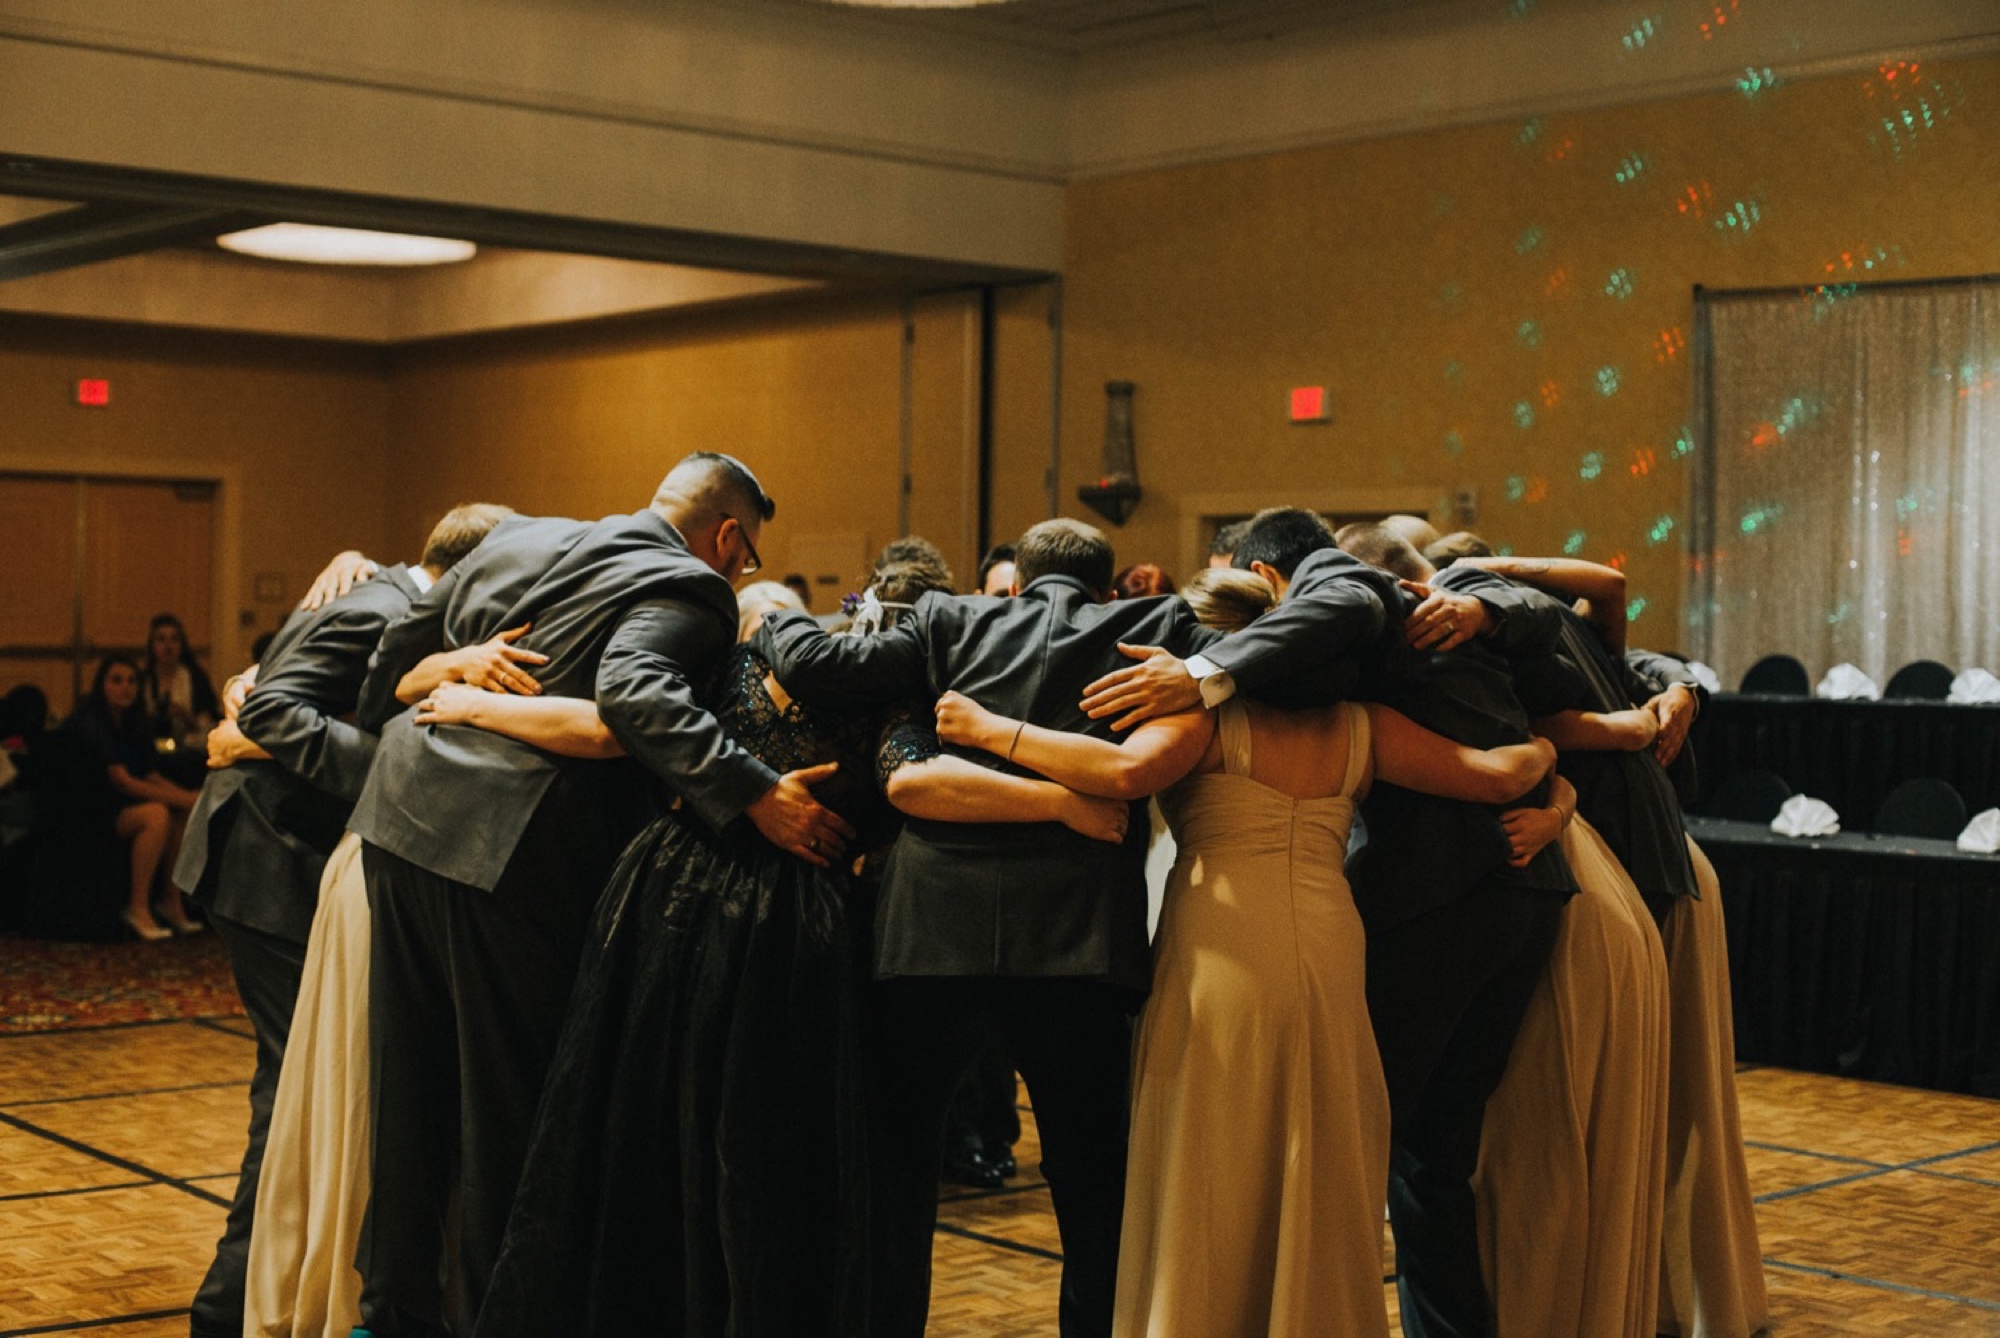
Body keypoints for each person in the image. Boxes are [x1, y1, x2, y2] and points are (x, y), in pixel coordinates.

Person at [467, 557, 1126, 1337]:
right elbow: (909, 781)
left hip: (667, 902)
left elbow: (610, 731)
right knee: (764, 1158)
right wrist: (1067, 804)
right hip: (787, 928)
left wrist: (468, 703)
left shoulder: (731, 660)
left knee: (645, 1131)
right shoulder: (891, 698)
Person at [935, 564, 1559, 1338]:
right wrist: (1545, 756)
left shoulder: (1201, 721)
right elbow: (1496, 776)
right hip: (1329, 943)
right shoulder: (1359, 723)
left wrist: (987, 729)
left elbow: (1123, 773)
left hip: (1221, 945)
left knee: (1215, 1150)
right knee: (1315, 1143)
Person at [346, 453, 848, 1337]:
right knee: (512, 1112)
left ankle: (390, 1316)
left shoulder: (517, 535)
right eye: (747, 557)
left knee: (409, 1087)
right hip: (507, 852)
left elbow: (392, 653)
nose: (739, 574)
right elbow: (633, 694)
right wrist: (758, 793)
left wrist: (454, 668)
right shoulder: (694, 586)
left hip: (397, 819)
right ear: (727, 536)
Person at [754, 516, 1221, 1338]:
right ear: (1109, 583)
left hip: (932, 934)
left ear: (1018, 572)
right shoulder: (1155, 624)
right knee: (1092, 1190)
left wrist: (775, 612)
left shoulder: (947, 618)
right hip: (1079, 946)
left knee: (897, 1180)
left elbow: (821, 667)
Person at [175, 506, 512, 1338]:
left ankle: (266, 1294)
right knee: (290, 1095)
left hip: (279, 859)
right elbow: (270, 712)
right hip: (266, 863)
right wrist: (399, 768)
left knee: (303, 1091)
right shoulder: (378, 606)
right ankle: (230, 1308)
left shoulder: (380, 593)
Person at [1342, 529, 1672, 1336]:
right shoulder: (1493, 633)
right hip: (1525, 893)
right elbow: (1559, 675)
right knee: (1438, 1154)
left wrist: (1482, 598)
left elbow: (1577, 614)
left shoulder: (1386, 641)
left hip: (1439, 900)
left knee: (1374, 1143)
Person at [62, 654, 201, 939]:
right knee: (157, 814)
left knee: (180, 811)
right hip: (90, 811)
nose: (125, 688)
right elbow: (123, 781)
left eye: (131, 681)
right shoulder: (91, 722)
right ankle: (137, 907)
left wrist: (188, 798)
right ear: (102, 685)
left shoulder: (134, 722)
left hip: (121, 804)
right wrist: (184, 799)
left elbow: (150, 775)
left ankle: (171, 902)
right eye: (116, 681)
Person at [140, 613, 222, 783]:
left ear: (182, 645)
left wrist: (185, 716)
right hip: (150, 746)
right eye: (161, 639)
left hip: (189, 748)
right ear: (152, 645)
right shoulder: (142, 679)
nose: (167, 646)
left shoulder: (195, 677)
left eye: (174, 639)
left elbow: (209, 720)